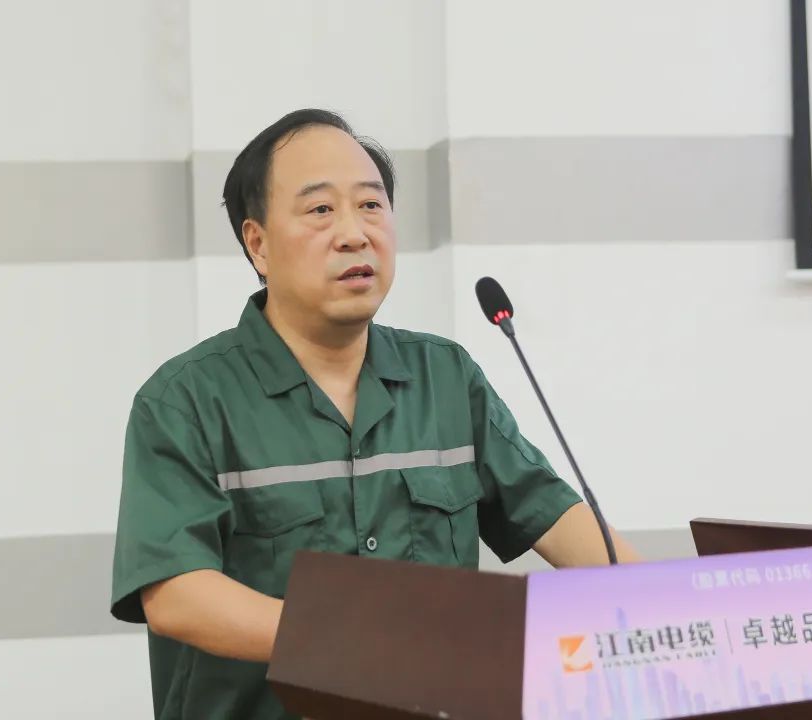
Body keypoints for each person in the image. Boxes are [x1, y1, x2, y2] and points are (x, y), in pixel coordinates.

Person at [110, 108, 639, 719]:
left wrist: (676, 619)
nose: (354, 234)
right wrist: (361, 645)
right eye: (320, 210)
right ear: (258, 244)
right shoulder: (186, 401)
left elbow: (559, 520)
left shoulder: (446, 378)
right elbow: (176, 595)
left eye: (370, 205)